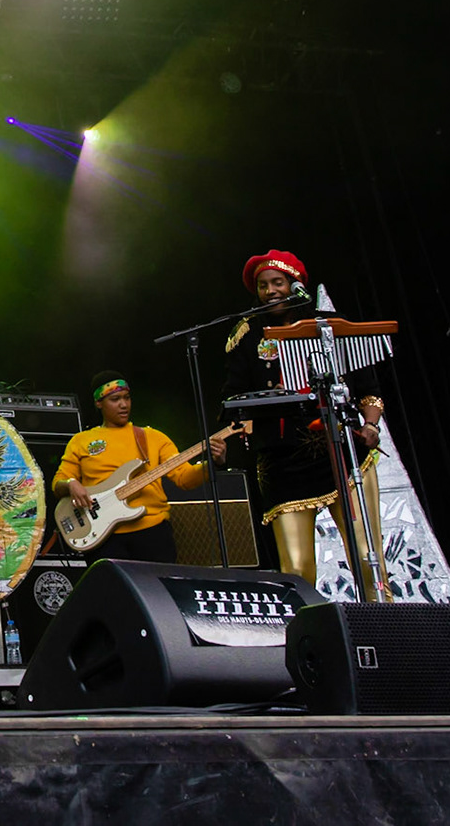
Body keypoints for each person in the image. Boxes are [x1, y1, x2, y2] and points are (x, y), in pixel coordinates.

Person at [221, 248, 386, 597]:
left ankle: (383, 635)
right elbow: (233, 398)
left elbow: (368, 390)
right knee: (297, 571)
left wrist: (370, 427)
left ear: (295, 285)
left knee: (367, 558)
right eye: (263, 285)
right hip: (283, 462)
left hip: (341, 451)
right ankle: (311, 644)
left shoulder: (328, 325)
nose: (270, 291)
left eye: (278, 282)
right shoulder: (247, 334)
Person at [50, 372, 226, 563]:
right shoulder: (81, 441)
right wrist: (70, 484)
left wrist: (213, 464)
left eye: (126, 398)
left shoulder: (153, 437)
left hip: (152, 531)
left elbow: (184, 478)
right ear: (99, 403)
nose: (124, 405)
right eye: (115, 399)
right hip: (102, 536)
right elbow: (57, 483)